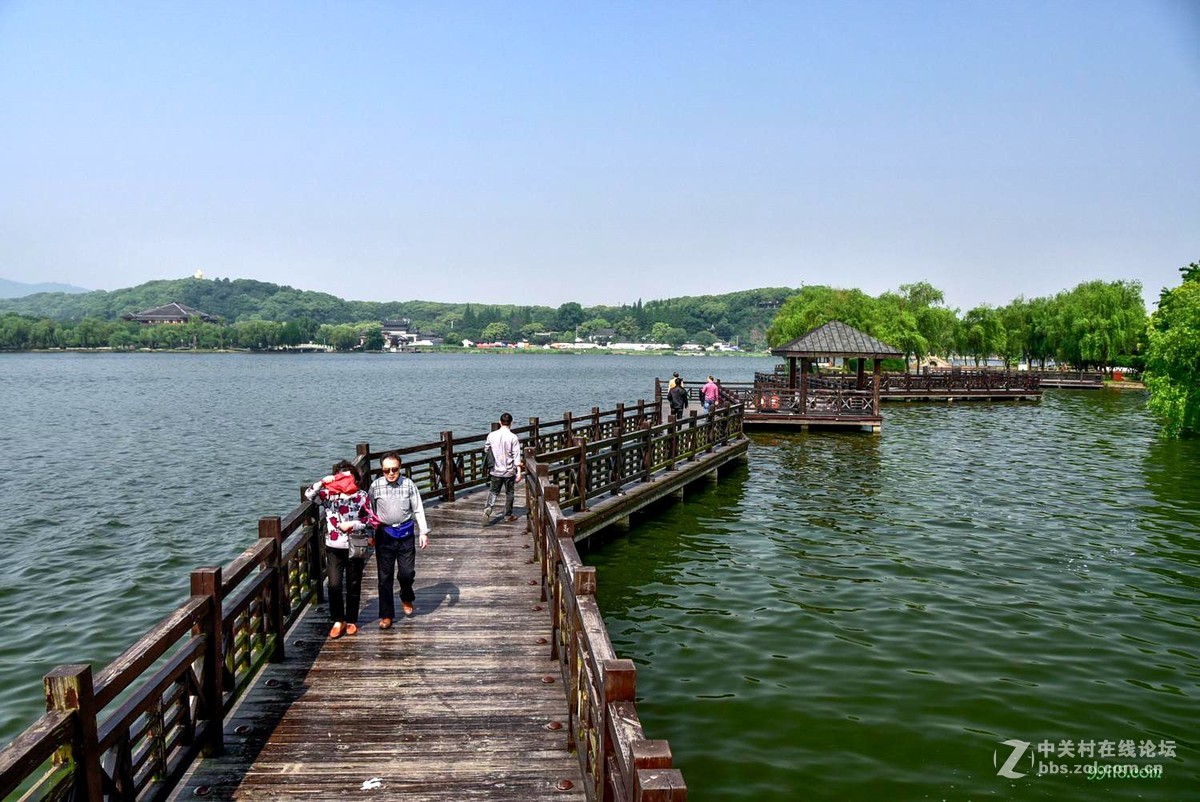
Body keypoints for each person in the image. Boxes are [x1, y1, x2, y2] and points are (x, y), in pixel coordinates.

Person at [306, 460, 377, 639]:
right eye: (340, 477)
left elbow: (370, 520)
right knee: (334, 584)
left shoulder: (361, 496)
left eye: (348, 477)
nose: (345, 481)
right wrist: (323, 482)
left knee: (354, 584)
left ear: (355, 478)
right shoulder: (328, 495)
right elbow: (309, 495)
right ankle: (338, 620)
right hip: (333, 546)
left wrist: (353, 524)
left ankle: (351, 620)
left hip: (356, 543)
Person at [368, 452, 430, 628]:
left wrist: (423, 532)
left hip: (405, 534)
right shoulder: (375, 486)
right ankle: (386, 615)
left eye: (394, 469)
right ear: (382, 470)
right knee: (384, 577)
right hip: (384, 534)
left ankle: (406, 596)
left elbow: (418, 508)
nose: (390, 473)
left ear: (400, 468)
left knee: (406, 573)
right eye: (386, 470)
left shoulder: (408, 484)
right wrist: (370, 534)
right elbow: (370, 512)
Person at [483, 412, 523, 525]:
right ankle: (508, 515)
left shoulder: (491, 435)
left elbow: (486, 449)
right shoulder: (513, 437)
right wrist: (519, 472)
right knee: (509, 493)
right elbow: (516, 456)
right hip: (509, 470)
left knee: (493, 491)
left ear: (500, 422)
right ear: (511, 423)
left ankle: (488, 508)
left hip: (495, 470)